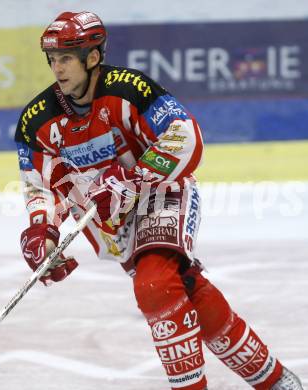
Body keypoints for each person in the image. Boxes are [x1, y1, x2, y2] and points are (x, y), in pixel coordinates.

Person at [15, 11, 303, 390]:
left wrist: (133, 178)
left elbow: (185, 135)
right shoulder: (36, 122)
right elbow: (41, 187)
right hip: (113, 219)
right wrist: (43, 232)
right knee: (186, 287)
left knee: (155, 284)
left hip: (161, 192)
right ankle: (275, 379)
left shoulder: (130, 88)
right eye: (52, 59)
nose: (58, 68)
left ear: (93, 56)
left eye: (66, 58)